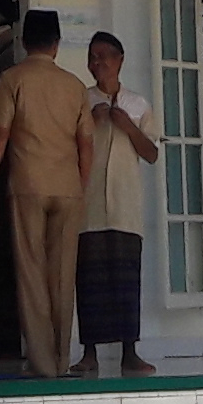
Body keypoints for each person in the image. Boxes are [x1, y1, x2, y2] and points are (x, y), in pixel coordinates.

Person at [0, 9, 91, 377]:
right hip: (68, 187)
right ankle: (61, 359)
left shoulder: (13, 79)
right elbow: (86, 143)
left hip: (28, 186)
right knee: (63, 275)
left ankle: (42, 364)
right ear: (57, 45)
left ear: (25, 42)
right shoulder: (74, 85)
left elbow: (1, 136)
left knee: (32, 274)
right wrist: (80, 186)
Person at [78, 31, 158, 377]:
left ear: (119, 60)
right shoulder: (80, 101)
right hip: (89, 205)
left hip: (125, 205)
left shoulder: (138, 104)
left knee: (126, 279)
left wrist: (127, 125)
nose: (97, 63)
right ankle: (89, 353)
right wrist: (91, 122)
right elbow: (66, 146)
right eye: (92, 57)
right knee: (89, 279)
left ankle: (130, 352)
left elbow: (152, 153)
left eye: (104, 56)